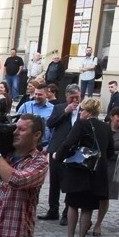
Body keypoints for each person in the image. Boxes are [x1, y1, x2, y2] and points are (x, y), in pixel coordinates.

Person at [56, 98, 114, 237]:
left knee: (73, 205)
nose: (80, 112)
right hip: (96, 173)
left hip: (79, 170)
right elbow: (109, 151)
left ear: (87, 111)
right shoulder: (105, 127)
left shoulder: (81, 124)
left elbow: (68, 143)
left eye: (82, 110)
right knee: (87, 208)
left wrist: (58, 157)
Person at [40, 84, 82, 224]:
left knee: (70, 181)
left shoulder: (84, 109)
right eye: (72, 98)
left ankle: (67, 213)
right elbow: (50, 124)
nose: (75, 100)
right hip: (57, 148)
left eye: (77, 97)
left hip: (75, 151)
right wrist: (66, 111)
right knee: (55, 181)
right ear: (66, 97)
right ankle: (53, 210)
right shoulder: (58, 108)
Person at [94, 107, 119, 237]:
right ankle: (87, 219)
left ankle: (98, 223)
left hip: (111, 167)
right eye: (118, 116)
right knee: (91, 194)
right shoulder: (103, 128)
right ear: (112, 117)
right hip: (97, 165)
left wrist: (107, 153)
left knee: (105, 196)